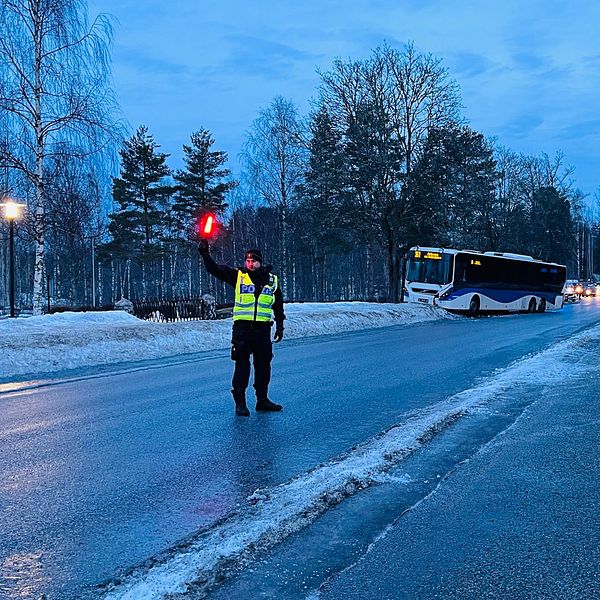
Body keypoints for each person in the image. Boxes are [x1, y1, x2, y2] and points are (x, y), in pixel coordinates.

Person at [199, 239, 285, 416]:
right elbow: (214, 270)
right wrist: (205, 254)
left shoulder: (272, 281)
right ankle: (240, 403)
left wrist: (280, 326)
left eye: (253, 261)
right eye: (247, 261)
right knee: (242, 367)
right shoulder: (238, 275)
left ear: (260, 262)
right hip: (242, 331)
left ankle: (262, 400)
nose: (250, 264)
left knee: (263, 367)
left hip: (263, 330)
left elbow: (278, 305)